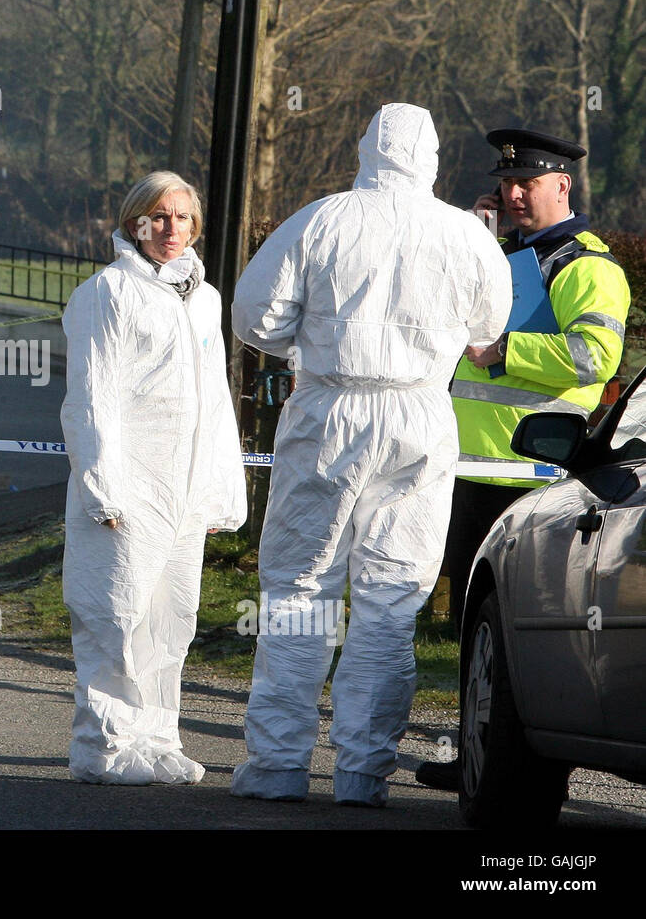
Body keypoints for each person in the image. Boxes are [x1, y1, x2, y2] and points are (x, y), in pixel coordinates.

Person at [229, 103, 512, 806]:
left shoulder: (321, 219)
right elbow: (489, 326)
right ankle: (361, 774)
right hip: (420, 412)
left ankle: (276, 765)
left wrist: (306, 342)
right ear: (434, 160)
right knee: (390, 600)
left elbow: (253, 314)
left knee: (299, 590)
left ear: (366, 149)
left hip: (330, 405)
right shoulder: (466, 235)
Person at [417, 127, 631, 793]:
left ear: (561, 186)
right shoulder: (510, 255)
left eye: (526, 184)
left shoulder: (583, 264)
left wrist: (505, 350)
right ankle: (479, 753)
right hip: (476, 471)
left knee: (515, 636)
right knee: (478, 631)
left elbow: (596, 359)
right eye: (506, 182)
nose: (512, 194)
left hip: (534, 477)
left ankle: (506, 767)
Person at [60, 170, 247, 785]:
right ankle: (105, 748)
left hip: (186, 488)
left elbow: (215, 399)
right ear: (134, 221)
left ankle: (157, 740)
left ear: (197, 225)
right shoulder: (107, 292)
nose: (170, 230)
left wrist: (223, 484)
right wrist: (101, 485)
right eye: (157, 218)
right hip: (130, 485)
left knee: (172, 617)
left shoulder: (205, 297)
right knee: (115, 614)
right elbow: (92, 399)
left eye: (182, 218)